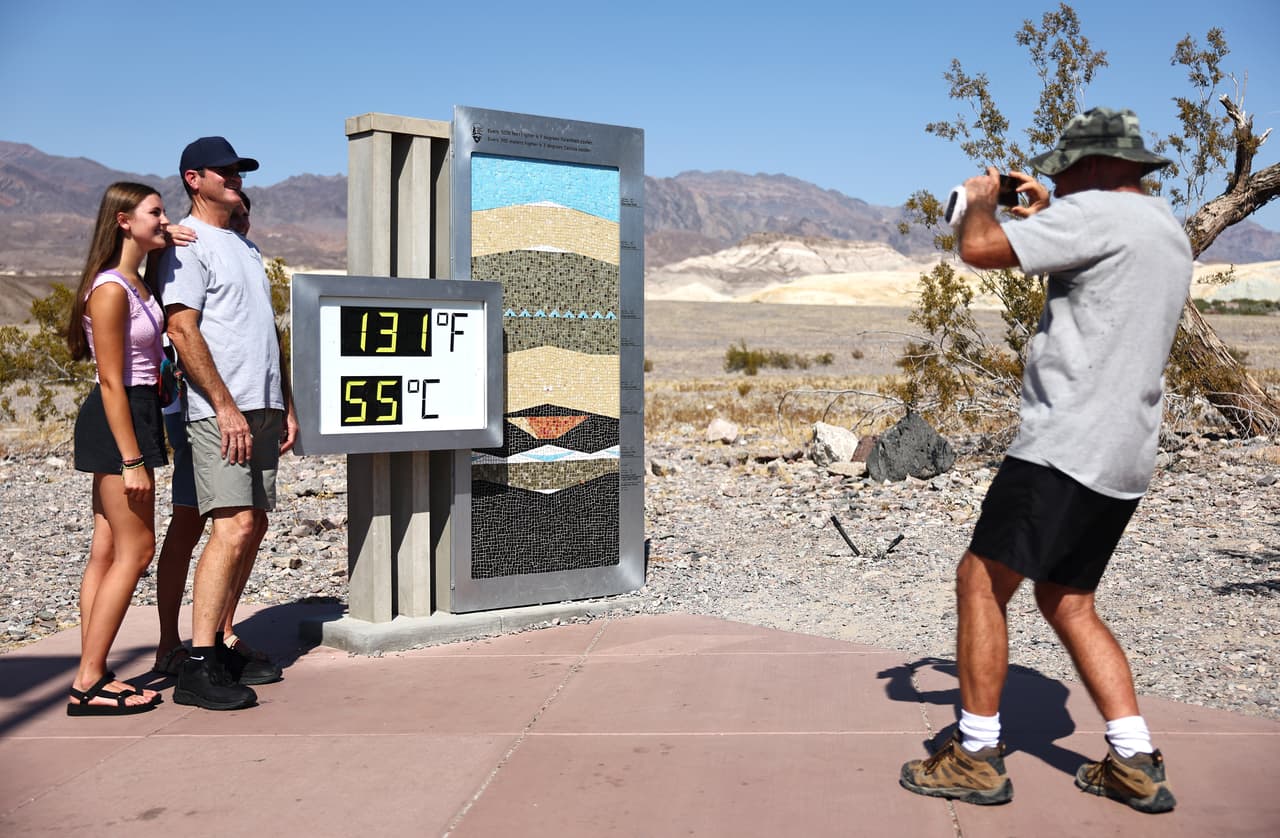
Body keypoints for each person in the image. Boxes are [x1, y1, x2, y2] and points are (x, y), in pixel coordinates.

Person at [898, 108, 1191, 814]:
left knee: (979, 580)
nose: (1058, 176)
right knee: (1068, 599)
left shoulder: (1092, 214)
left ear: (1094, 166)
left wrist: (976, 203)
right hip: (1125, 453)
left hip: (1064, 445)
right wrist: (1048, 212)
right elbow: (1096, 269)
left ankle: (974, 755)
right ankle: (1133, 760)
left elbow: (981, 252)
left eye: (1066, 167)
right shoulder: (1165, 228)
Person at [157, 138, 298, 711]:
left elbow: (264, 332)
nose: (237, 178)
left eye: (240, 171)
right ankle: (199, 662)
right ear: (195, 179)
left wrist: (284, 401)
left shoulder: (244, 245)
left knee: (255, 524)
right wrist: (223, 404)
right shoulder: (187, 247)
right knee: (232, 526)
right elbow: (183, 331)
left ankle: (222, 640)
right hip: (222, 411)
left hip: (260, 407)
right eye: (227, 171)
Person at [64, 182, 175, 715]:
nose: (165, 218)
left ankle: (94, 668)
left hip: (136, 414)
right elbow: (111, 382)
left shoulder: (136, 280)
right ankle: (88, 681)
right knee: (138, 550)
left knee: (106, 550)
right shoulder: (111, 290)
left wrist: (167, 238)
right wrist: (133, 460)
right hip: (118, 420)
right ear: (124, 221)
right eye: (156, 212)